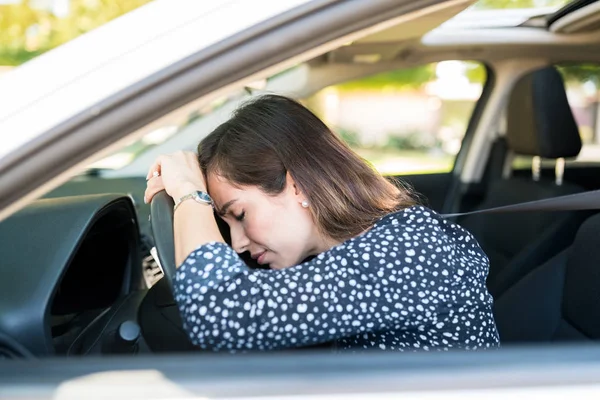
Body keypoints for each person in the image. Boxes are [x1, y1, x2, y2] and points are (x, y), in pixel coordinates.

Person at [144, 94, 500, 352]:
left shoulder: (407, 253)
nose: (237, 244)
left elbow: (222, 316)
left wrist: (190, 194)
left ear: (297, 184)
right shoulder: (372, 246)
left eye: (240, 215)